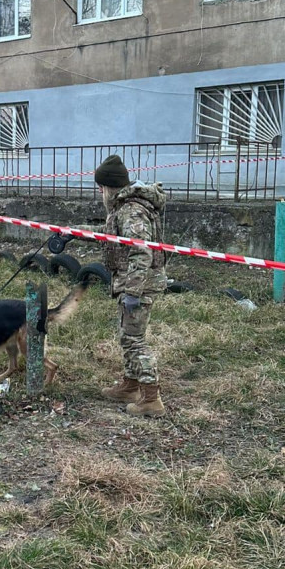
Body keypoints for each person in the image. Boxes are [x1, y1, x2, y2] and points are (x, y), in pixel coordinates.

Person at [94, 155, 167, 418]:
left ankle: (150, 397)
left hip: (140, 284)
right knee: (127, 334)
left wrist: (133, 292)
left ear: (110, 187)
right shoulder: (122, 208)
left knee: (134, 339)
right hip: (129, 281)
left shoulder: (131, 211)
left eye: (101, 187)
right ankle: (131, 384)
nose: (99, 193)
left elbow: (141, 252)